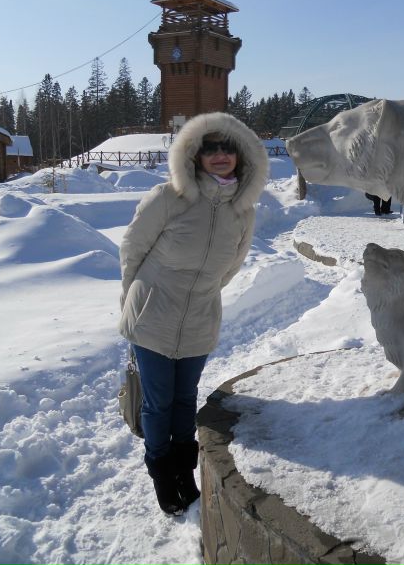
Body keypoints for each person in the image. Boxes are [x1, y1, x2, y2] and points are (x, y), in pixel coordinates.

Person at [118, 112, 268, 515]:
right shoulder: (169, 197)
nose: (220, 156)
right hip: (152, 317)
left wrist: (202, 295)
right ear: (194, 155)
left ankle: (185, 470)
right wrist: (134, 300)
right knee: (158, 403)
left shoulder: (244, 211)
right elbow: (132, 250)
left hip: (200, 319)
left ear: (241, 156)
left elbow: (232, 266)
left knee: (186, 400)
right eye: (210, 148)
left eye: (228, 148)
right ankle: (162, 476)